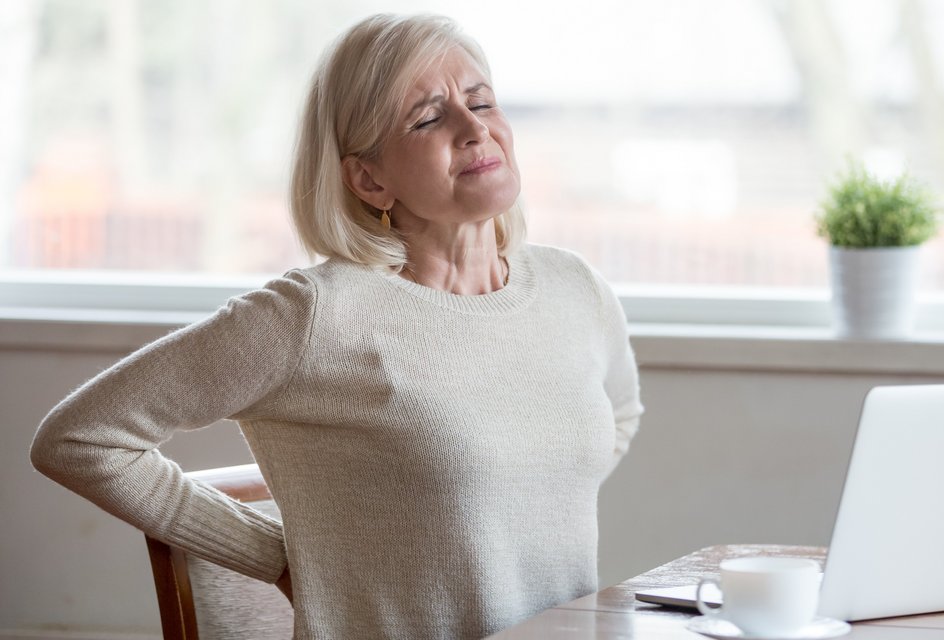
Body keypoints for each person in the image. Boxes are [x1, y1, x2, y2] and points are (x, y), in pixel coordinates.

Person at [30, 13, 643, 640]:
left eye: (481, 99)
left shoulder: (576, 288)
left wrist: (520, 485)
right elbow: (81, 439)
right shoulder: (317, 316)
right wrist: (273, 554)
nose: (474, 127)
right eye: (429, 117)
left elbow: (618, 415)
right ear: (368, 178)